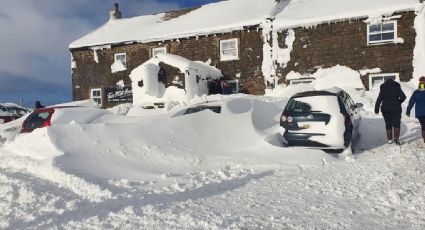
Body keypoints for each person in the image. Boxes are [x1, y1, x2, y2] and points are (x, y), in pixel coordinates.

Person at [375, 78, 406, 145]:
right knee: (397, 124)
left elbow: (379, 100)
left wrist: (376, 109)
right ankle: (396, 139)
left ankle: (389, 140)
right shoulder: (397, 88)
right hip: (396, 109)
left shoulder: (383, 89)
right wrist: (399, 102)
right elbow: (403, 97)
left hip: (385, 110)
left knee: (388, 124)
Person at [406, 76, 425, 143]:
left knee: (423, 125)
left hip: (419, 113)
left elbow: (411, 102)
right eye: (421, 82)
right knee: (424, 125)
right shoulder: (416, 92)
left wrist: (408, 110)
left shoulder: (416, 92)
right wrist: (408, 110)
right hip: (420, 113)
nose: (422, 83)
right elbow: (411, 102)